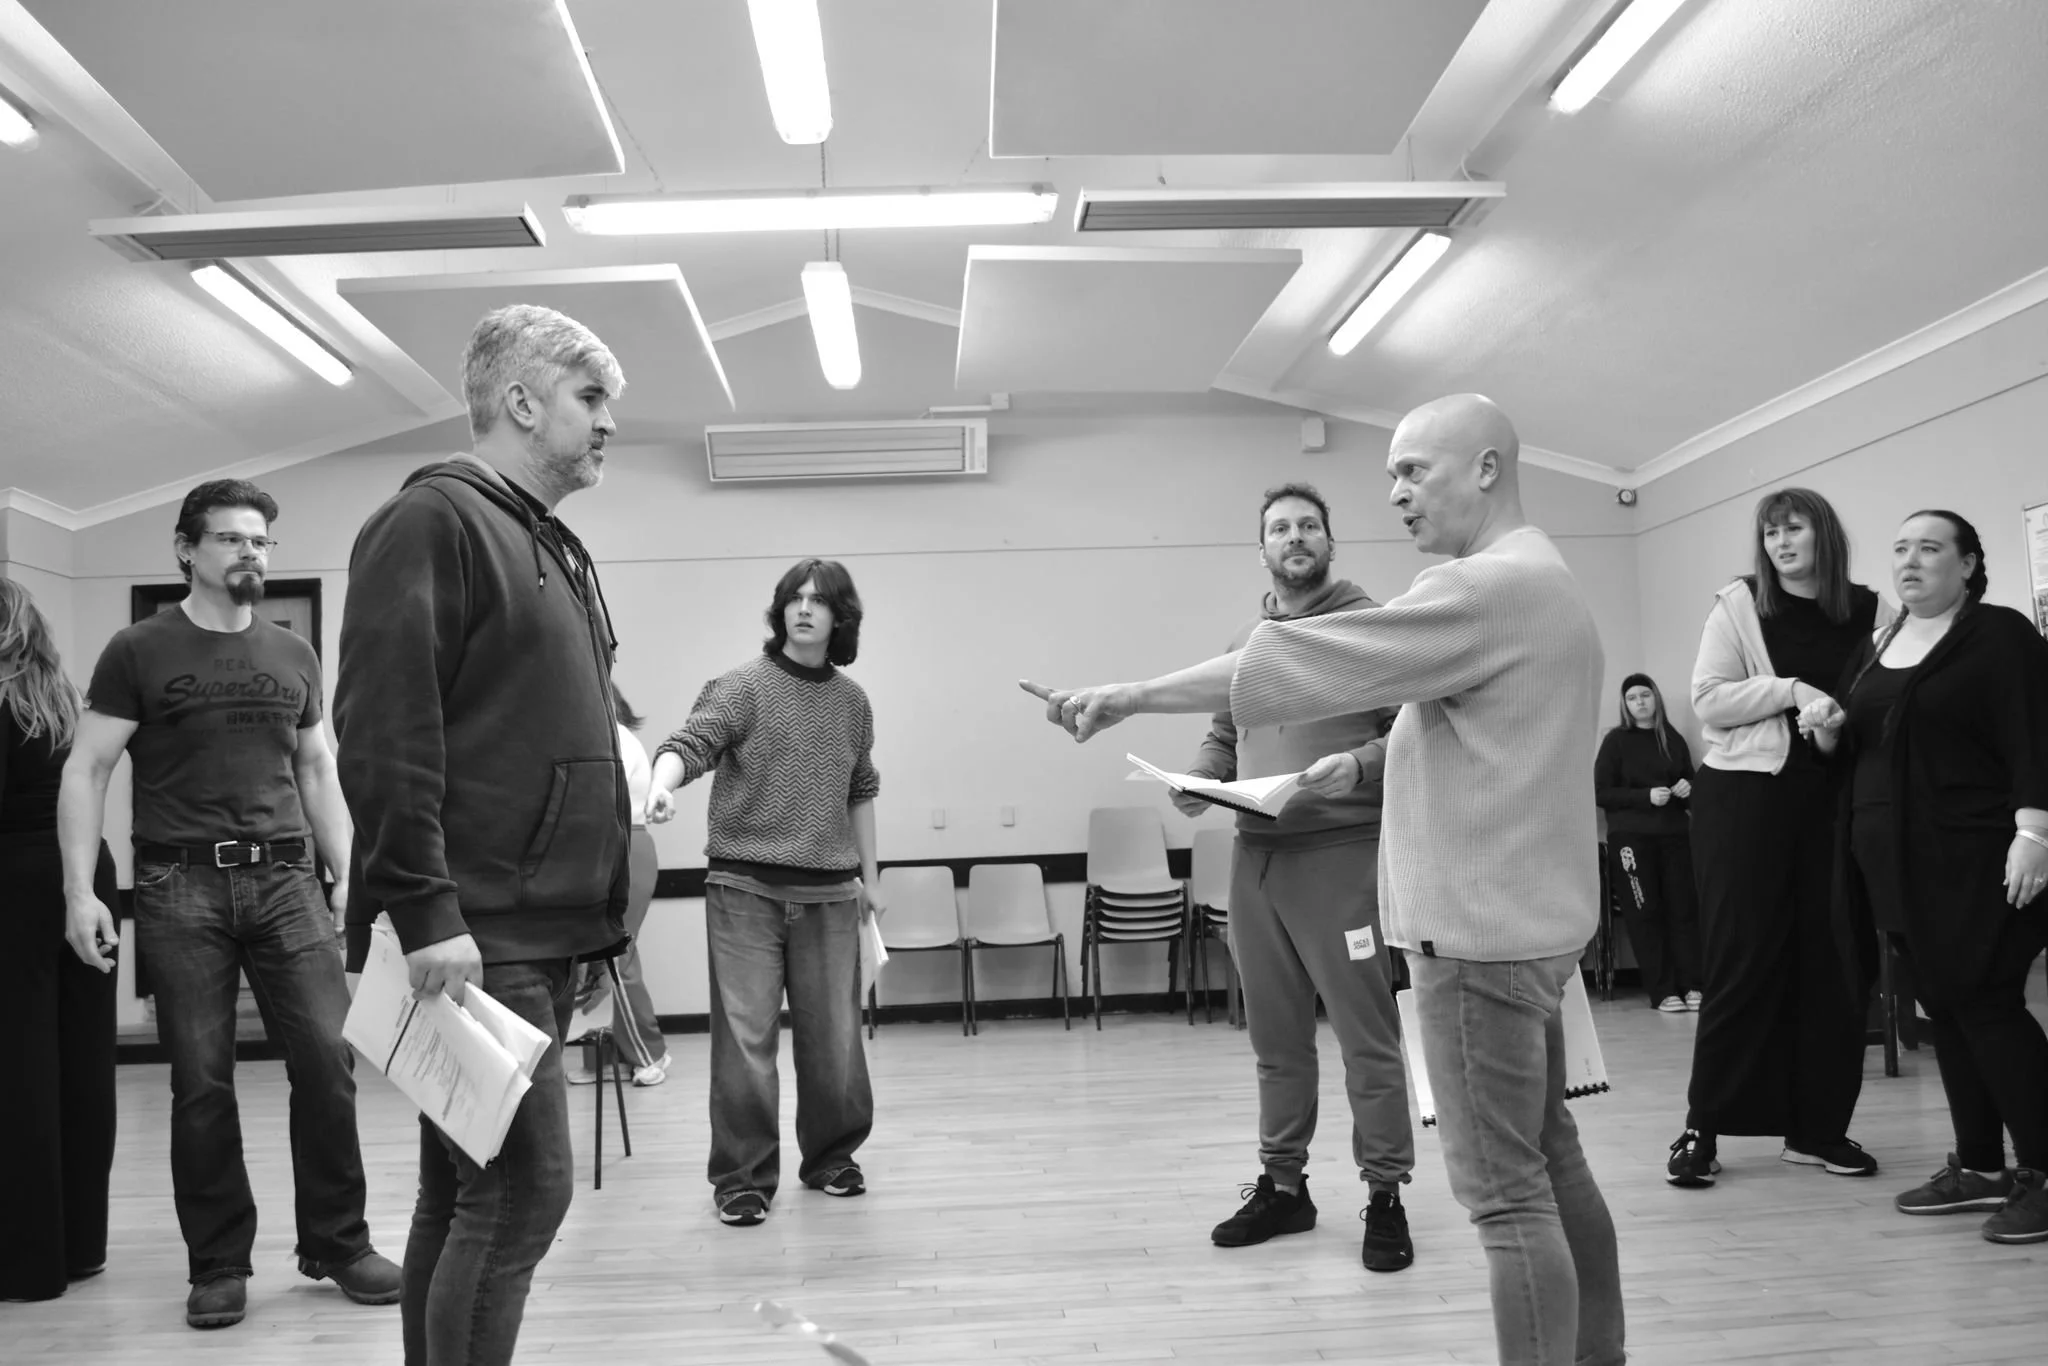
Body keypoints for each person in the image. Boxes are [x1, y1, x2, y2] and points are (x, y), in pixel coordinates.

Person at [1023, 394, 1622, 1366]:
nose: (1394, 493)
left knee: (1506, 1198)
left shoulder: (1471, 587)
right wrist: (1351, 765)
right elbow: (1460, 722)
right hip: (1528, 927)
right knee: (1550, 1162)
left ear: (1482, 468)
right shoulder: (1542, 576)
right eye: (1387, 474)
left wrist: (1125, 694)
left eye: (1411, 471)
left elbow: (1290, 665)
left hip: (1477, 940)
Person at [333, 304, 631, 1366]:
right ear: (519, 401)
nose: (607, 424)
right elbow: (381, 727)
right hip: (475, 928)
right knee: (521, 1193)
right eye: (590, 399)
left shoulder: (547, 539)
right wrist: (424, 907)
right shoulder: (430, 524)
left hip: (537, 926)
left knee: (462, 1188)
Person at [57, 480, 401, 1329]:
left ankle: (338, 1242)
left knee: (327, 1059)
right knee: (201, 1082)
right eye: (233, 539)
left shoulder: (294, 654)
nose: (252, 553)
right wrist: (78, 890)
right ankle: (217, 1263)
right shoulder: (137, 650)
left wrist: (352, 872)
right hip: (182, 886)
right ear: (187, 549)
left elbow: (318, 771)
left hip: (288, 882)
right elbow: (86, 769)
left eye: (262, 541)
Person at [1173, 482, 1415, 1272]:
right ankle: (1285, 1187)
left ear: (1330, 542)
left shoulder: (1366, 626)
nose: (1295, 536)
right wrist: (1201, 778)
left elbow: (1409, 733)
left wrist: (1357, 766)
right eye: (1280, 527)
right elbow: (1222, 731)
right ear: (1264, 549)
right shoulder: (1254, 638)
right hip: (1257, 859)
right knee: (1276, 1040)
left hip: (1339, 858)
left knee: (1365, 1037)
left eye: (1309, 524)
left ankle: (1385, 1195)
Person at [1808, 510, 2048, 1242]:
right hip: (1894, 867)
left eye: (1931, 548)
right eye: (1901, 548)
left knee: (1988, 1004)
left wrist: (2034, 831)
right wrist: (1826, 732)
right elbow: (1862, 742)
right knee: (1945, 1012)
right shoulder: (1880, 642)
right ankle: (1980, 1165)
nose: (1910, 561)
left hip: (1979, 857)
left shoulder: (2000, 636)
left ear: (1969, 564)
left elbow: (2035, 730)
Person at [646, 558, 883, 1229]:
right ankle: (742, 1178)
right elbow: (689, 743)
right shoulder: (742, 687)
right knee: (746, 1039)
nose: (804, 610)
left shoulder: (852, 701)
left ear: (841, 617)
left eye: (819, 601)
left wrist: (873, 877)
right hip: (744, 887)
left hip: (832, 893)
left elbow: (861, 790)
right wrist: (662, 784)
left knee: (834, 1037)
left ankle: (832, 1157)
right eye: (793, 599)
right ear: (779, 612)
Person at [1666, 488, 1887, 1189]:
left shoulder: (1869, 611)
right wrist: (1789, 690)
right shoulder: (1739, 604)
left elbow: (1863, 716)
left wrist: (1828, 731)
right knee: (1741, 962)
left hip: (1831, 806)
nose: (1781, 543)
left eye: (1793, 529)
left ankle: (1818, 1130)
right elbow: (1708, 698)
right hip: (1746, 802)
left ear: (1823, 533)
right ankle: (1703, 1127)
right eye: (1770, 533)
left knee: (1834, 968)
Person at [0, 580, 118, 1302]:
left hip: (12, 882)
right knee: (82, 1063)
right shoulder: (61, 698)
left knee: (19, 1072)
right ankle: (81, 1247)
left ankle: (27, 1264)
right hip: (85, 874)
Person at [566, 683, 672, 1087]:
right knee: (605, 957)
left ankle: (651, 1054)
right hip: (620, 845)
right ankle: (616, 1058)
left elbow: (595, 803)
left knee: (615, 958)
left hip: (622, 846)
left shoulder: (611, 737)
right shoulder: (615, 735)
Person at [1594, 673, 1701, 1012]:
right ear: (1625, 705)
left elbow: (1692, 787)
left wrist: (1688, 789)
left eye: (1645, 695)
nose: (1639, 702)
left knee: (1684, 912)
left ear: (1656, 698)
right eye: (1632, 698)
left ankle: (1693, 985)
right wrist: (1644, 797)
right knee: (1645, 913)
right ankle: (1663, 991)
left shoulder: (1672, 738)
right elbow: (1602, 792)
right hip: (1631, 841)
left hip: (1675, 837)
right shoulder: (1616, 741)